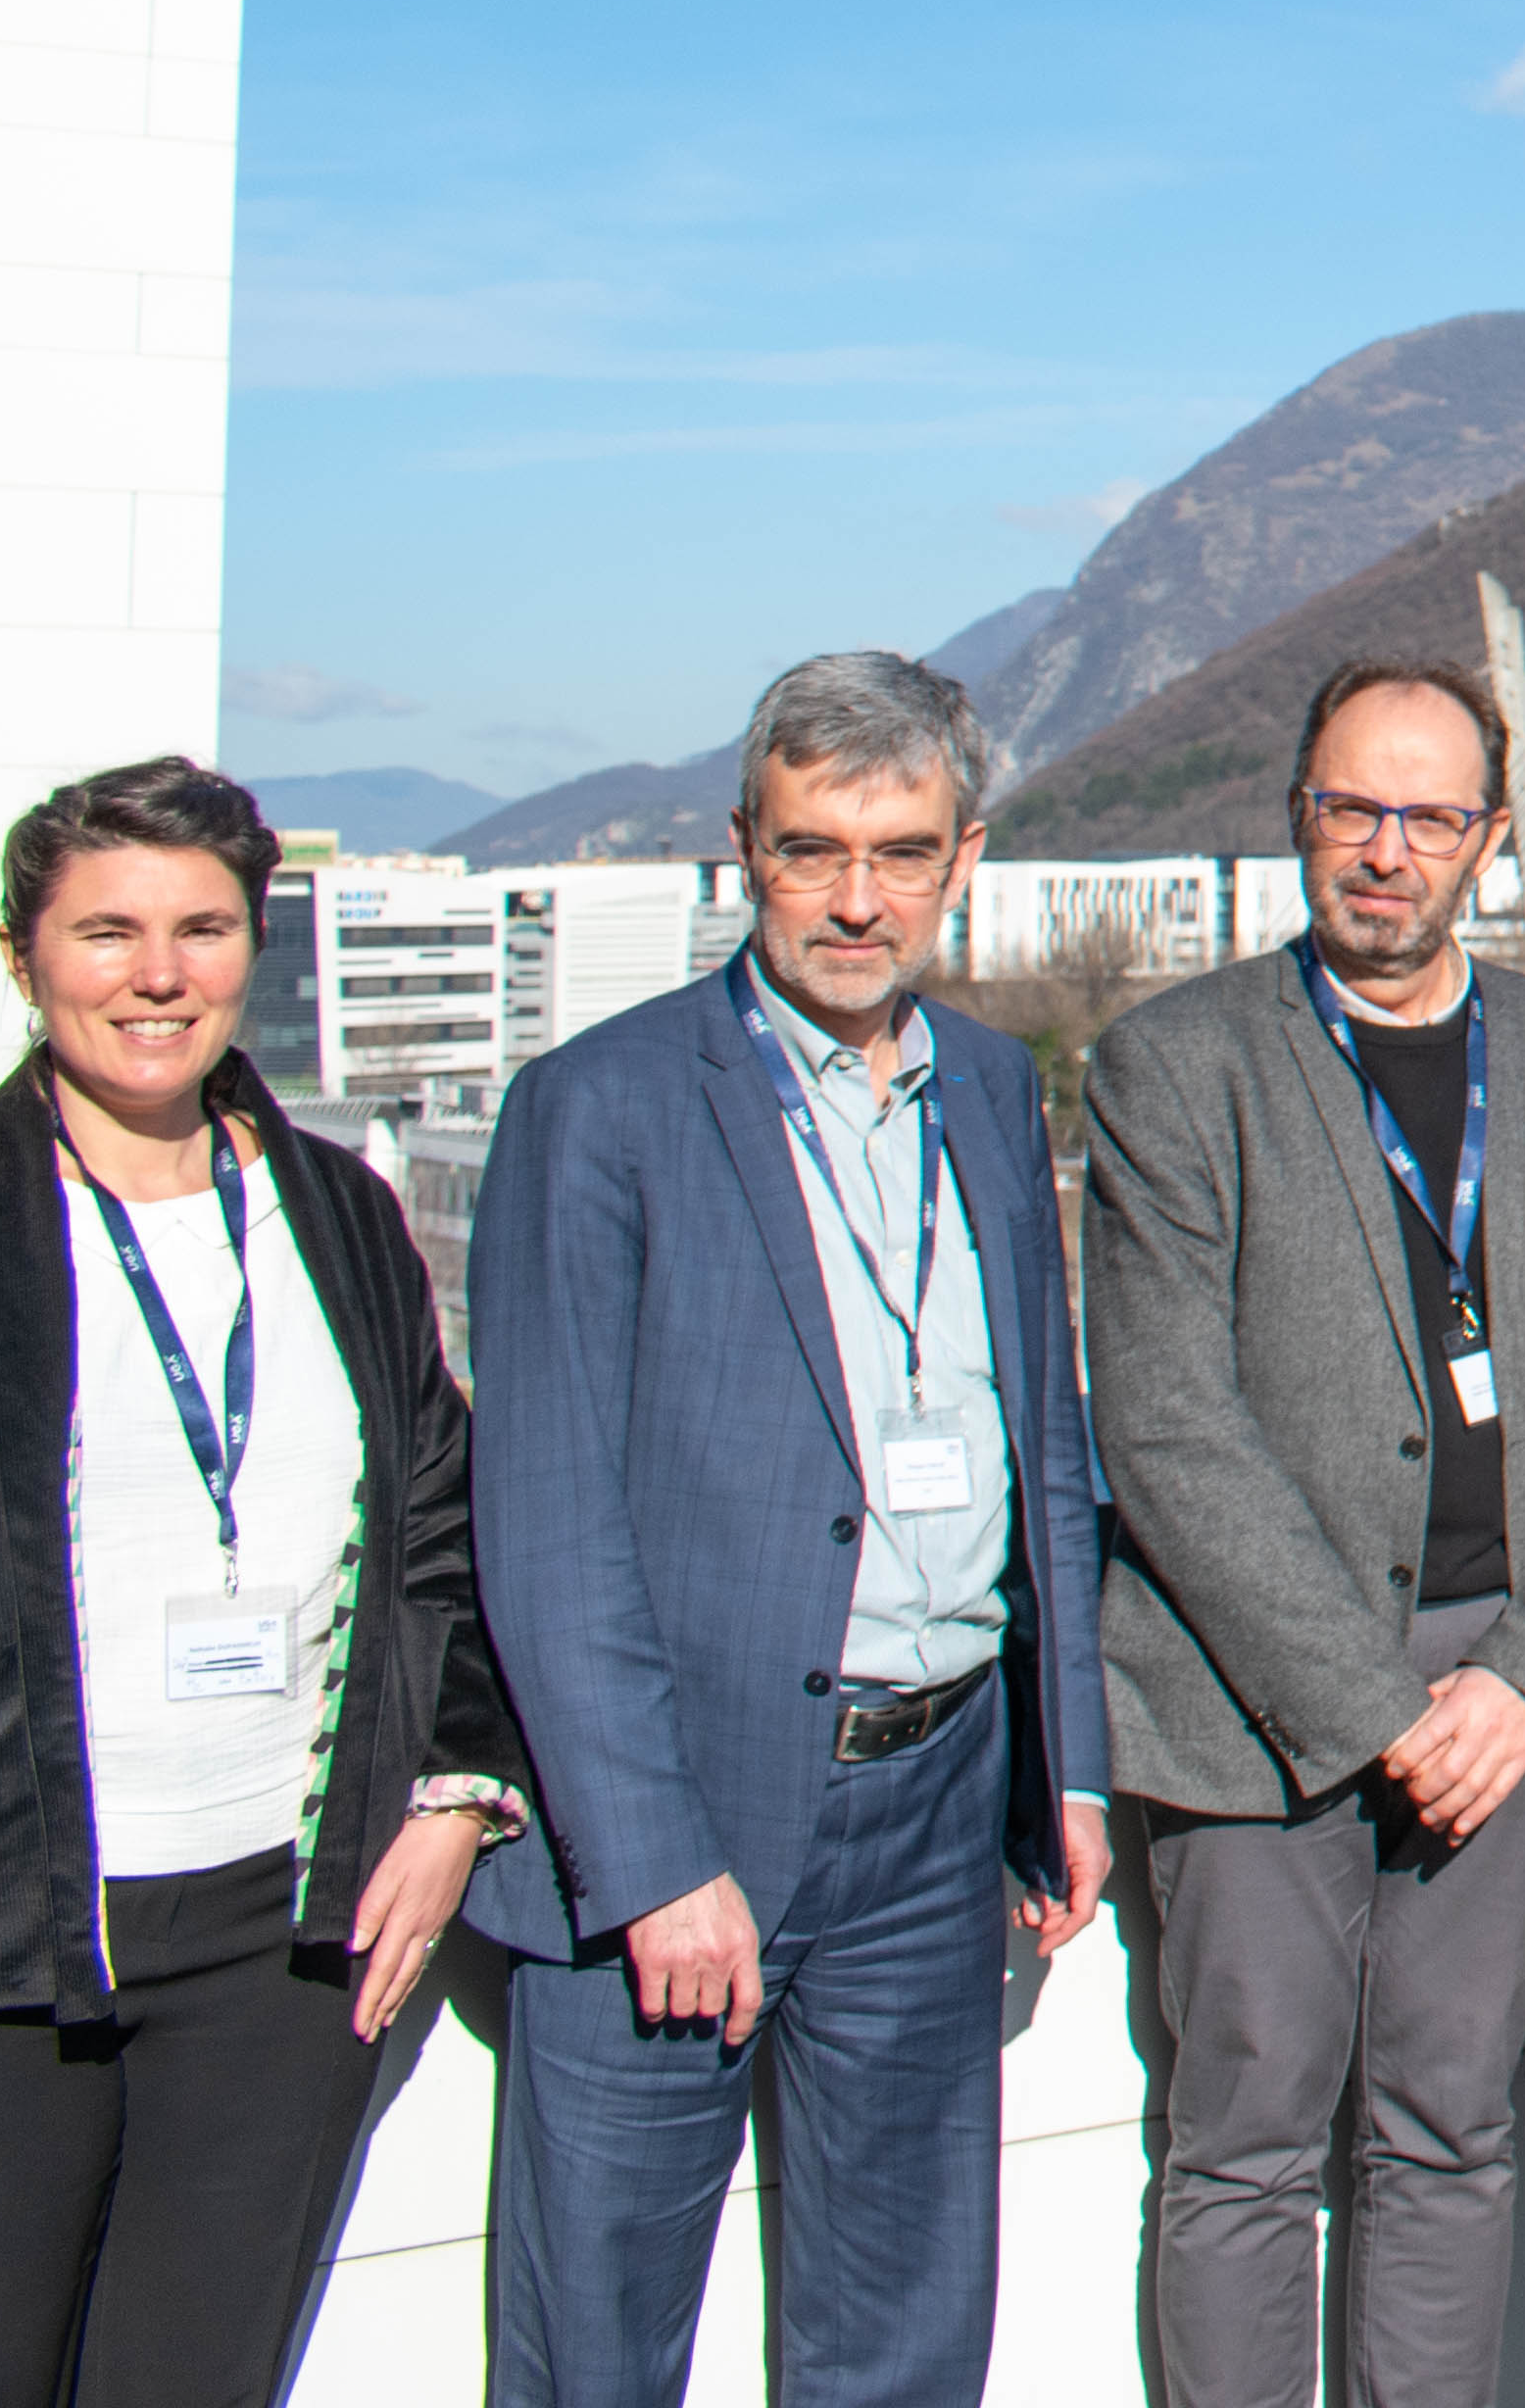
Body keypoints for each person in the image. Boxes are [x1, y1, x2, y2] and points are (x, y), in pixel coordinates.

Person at [0, 759, 527, 2406]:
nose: (158, 975)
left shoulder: (335, 1208)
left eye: (202, 928)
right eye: (106, 932)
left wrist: (456, 1793)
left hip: (272, 1950)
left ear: (257, 944)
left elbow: (436, 1533)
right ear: (21, 955)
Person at [467, 648, 1111, 2408]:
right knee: (598, 2348)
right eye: (814, 847)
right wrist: (654, 1859)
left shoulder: (988, 1089)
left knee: (900, 2341)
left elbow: (1036, 1432)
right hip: (682, 1823)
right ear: (742, 847)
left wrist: (1070, 1762)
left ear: (963, 859)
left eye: (900, 852)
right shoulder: (596, 1110)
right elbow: (544, 1525)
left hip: (935, 1813)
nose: (856, 896)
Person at [1085, 660, 1525, 2407]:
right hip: (1255, 1701)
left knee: (1451, 2129)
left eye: (1426, 816)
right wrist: (1375, 1708)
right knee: (1245, 2138)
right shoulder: (1172, 1065)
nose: (1385, 852)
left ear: (1490, 835)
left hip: (1504, 1694)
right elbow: (1171, 1426)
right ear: (1297, 816)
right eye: (1353, 808)